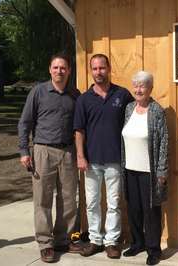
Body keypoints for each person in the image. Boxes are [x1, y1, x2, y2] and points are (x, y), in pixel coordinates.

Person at [18, 52, 82, 263]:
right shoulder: (38, 92)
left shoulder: (75, 94)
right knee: (43, 199)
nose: (59, 71)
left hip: (67, 152)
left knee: (68, 199)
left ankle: (63, 239)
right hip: (43, 150)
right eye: (55, 67)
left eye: (63, 68)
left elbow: (80, 126)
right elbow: (25, 123)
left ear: (69, 71)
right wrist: (24, 151)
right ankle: (45, 243)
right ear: (50, 70)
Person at [74, 53, 133, 259]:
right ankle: (95, 240)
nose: (98, 72)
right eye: (95, 69)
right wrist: (80, 156)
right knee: (92, 203)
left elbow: (136, 117)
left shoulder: (123, 95)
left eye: (102, 68)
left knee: (114, 203)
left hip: (115, 159)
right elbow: (79, 130)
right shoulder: (83, 99)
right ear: (91, 71)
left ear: (109, 69)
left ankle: (111, 242)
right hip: (91, 161)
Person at [121, 71, 168, 265]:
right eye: (136, 85)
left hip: (149, 171)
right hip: (129, 168)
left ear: (150, 89)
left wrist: (162, 170)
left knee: (151, 211)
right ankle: (137, 243)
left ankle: (154, 249)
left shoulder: (157, 111)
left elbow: (164, 141)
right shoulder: (129, 108)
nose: (138, 89)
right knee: (133, 209)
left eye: (143, 86)